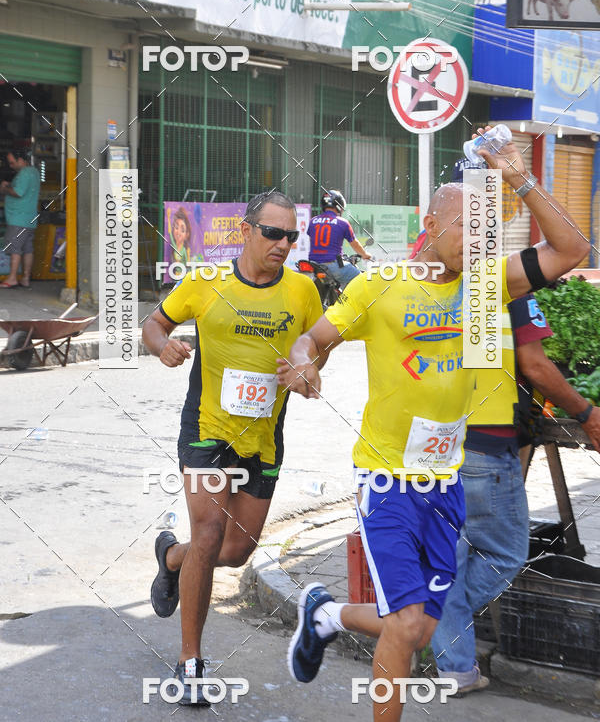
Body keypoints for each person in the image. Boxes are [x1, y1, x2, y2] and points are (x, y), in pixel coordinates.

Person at [276, 130, 589, 722]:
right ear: (430, 222)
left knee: (418, 627)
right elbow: (314, 338)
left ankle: (325, 614)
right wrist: (303, 366)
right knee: (406, 624)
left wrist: (520, 178)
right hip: (388, 477)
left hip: (443, 479)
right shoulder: (380, 286)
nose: (478, 241)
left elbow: (571, 249)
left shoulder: (486, 286)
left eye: (485, 229)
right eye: (466, 226)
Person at [141, 190, 322, 705]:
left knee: (236, 551)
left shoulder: (303, 291)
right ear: (246, 231)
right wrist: (165, 347)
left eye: (291, 235)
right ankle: (191, 661)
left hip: (264, 437)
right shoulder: (205, 282)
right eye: (273, 233)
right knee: (209, 533)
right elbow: (155, 323)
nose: (283, 244)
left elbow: (316, 355)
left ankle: (171, 559)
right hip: (207, 430)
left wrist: (308, 373)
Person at [432, 290, 600, 693]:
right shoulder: (507, 288)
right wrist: (586, 412)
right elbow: (536, 365)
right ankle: (427, 619)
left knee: (448, 560)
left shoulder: (429, 287)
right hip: (485, 448)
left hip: (431, 445)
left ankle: (452, 661)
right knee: (505, 553)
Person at [308, 189, 371, 289]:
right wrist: (365, 255)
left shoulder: (313, 221)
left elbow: (312, 241)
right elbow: (354, 244)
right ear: (339, 206)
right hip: (333, 266)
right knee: (361, 280)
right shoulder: (342, 222)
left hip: (313, 265)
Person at [0, 150, 41, 289]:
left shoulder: (24, 173)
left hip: (18, 218)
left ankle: (12, 278)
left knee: (15, 249)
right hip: (29, 218)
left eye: (13, 162)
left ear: (21, 160)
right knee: (27, 249)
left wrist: (5, 188)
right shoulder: (34, 172)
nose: (11, 166)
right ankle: (25, 278)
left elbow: (18, 192)